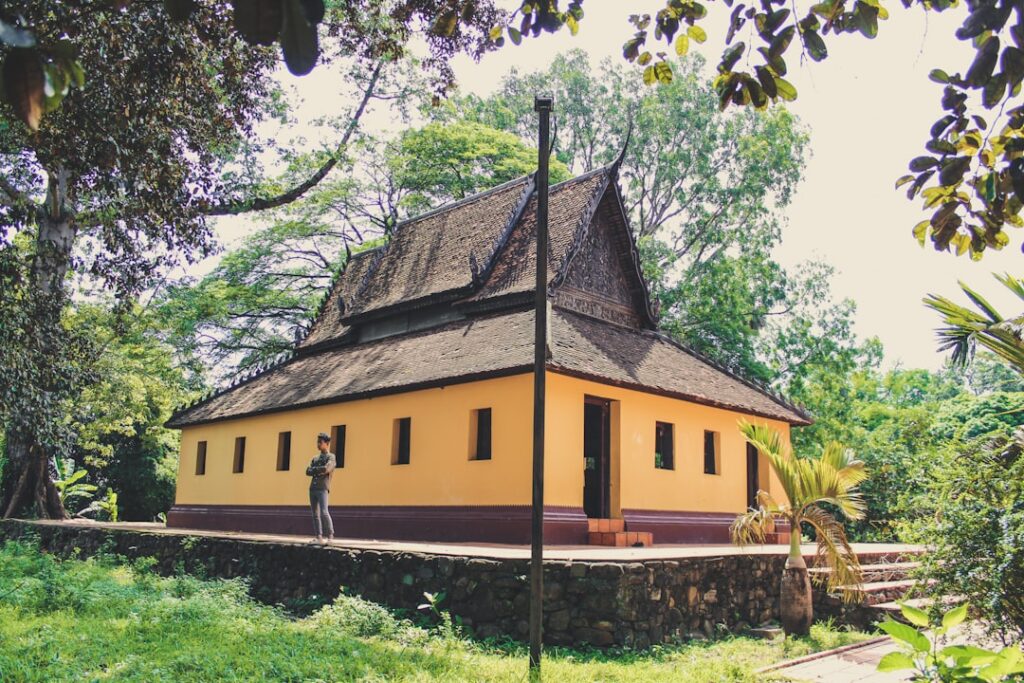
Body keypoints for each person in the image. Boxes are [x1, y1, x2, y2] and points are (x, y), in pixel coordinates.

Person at [305, 432, 336, 544]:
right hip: (312, 488)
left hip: (323, 487)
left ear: (327, 443)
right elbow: (307, 471)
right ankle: (318, 536)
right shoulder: (315, 458)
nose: (318, 444)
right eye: (317, 442)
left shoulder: (331, 457)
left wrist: (315, 470)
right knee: (315, 513)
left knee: (324, 512)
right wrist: (318, 469)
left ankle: (330, 535)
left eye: (320, 442)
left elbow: (327, 469)